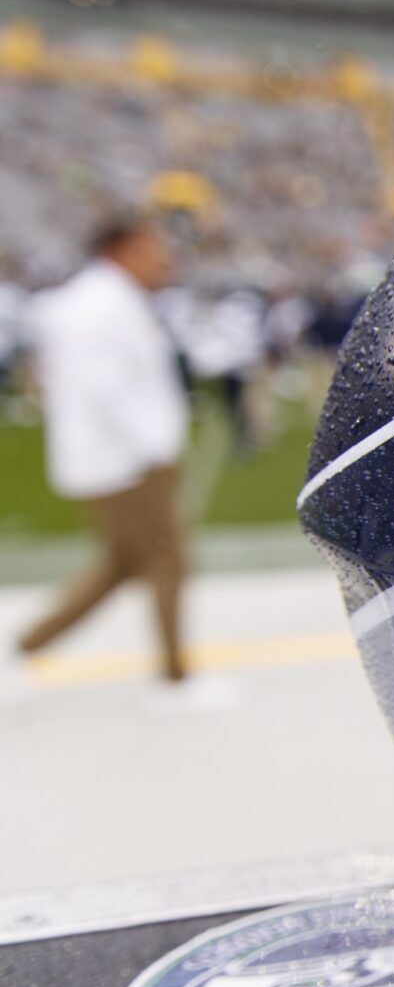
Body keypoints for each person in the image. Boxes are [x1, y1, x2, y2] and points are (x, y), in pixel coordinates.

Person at [9, 216, 212, 701]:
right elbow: (107, 389)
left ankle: (27, 644)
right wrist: (154, 447)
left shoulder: (103, 301)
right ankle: (175, 677)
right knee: (168, 560)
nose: (164, 258)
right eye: (153, 247)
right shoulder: (100, 306)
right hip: (125, 460)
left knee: (122, 564)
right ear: (121, 248)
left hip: (114, 455)